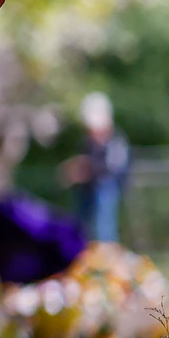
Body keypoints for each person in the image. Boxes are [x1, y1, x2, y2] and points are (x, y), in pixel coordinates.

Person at [61, 92, 131, 244]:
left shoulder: (116, 141)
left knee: (104, 227)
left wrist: (87, 169)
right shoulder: (87, 142)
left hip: (105, 189)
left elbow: (113, 168)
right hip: (87, 189)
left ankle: (106, 256)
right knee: (81, 225)